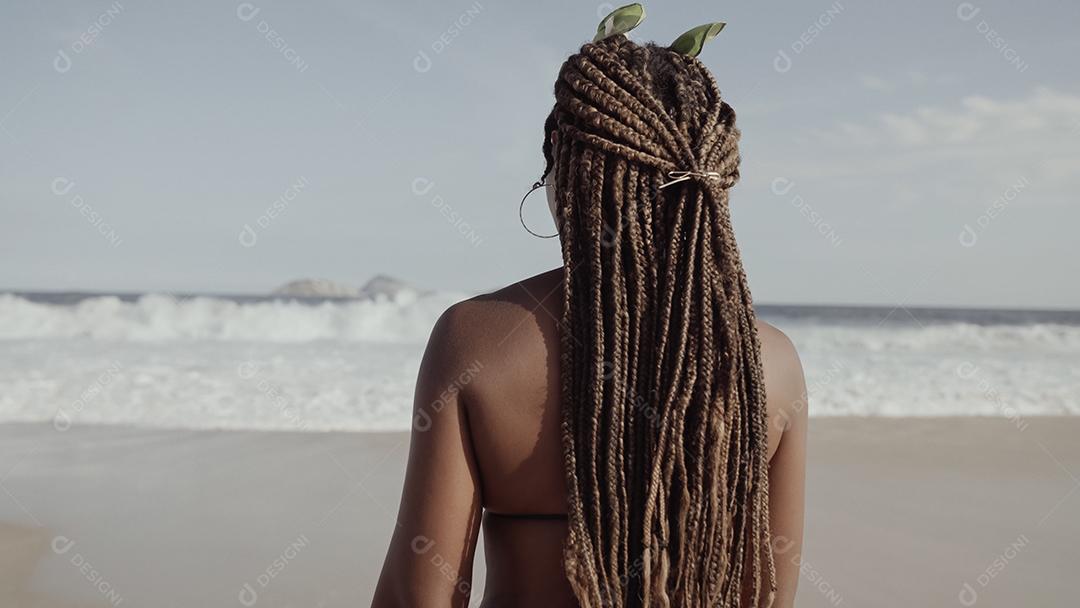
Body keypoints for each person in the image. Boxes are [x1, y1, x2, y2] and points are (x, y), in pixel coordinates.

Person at [373, 5, 807, 606]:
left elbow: (416, 593)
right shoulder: (773, 363)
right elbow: (769, 590)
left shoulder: (476, 339)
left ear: (569, 173)